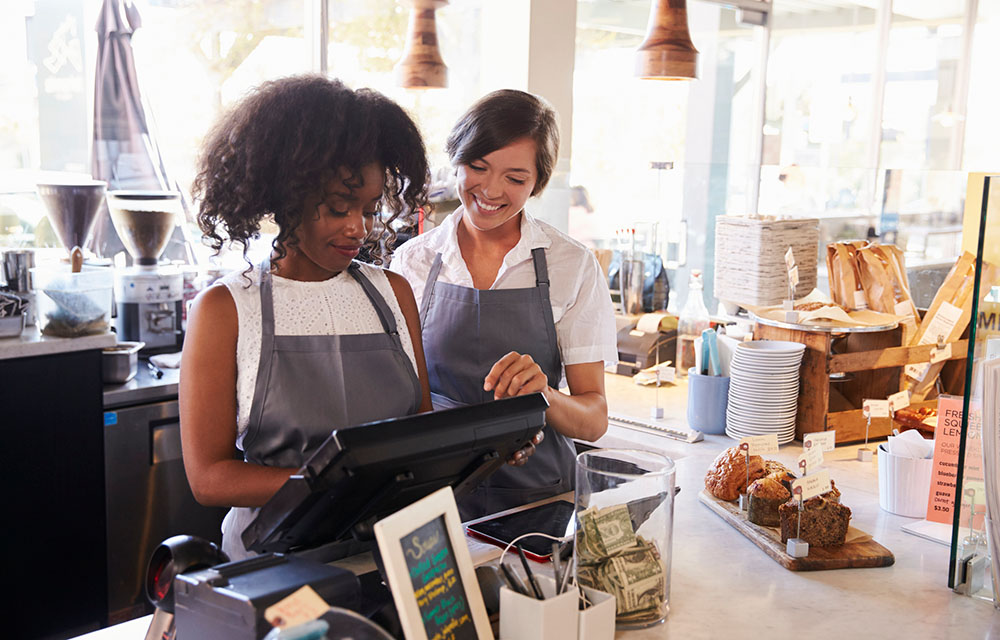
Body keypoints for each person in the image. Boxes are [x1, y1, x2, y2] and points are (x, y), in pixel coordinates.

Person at [179, 75, 434, 561]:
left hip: (388, 554)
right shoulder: (227, 310)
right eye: (340, 208)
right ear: (288, 197)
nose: (359, 228)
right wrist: (334, 486)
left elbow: (419, 434)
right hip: (273, 564)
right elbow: (209, 477)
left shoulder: (393, 293)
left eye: (370, 208)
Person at [391, 89, 617, 519]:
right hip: (435, 496)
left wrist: (543, 396)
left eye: (515, 179)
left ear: (537, 184)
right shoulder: (413, 261)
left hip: (539, 497)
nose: (490, 190)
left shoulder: (572, 265)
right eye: (477, 167)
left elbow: (594, 418)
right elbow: (399, 399)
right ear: (455, 159)